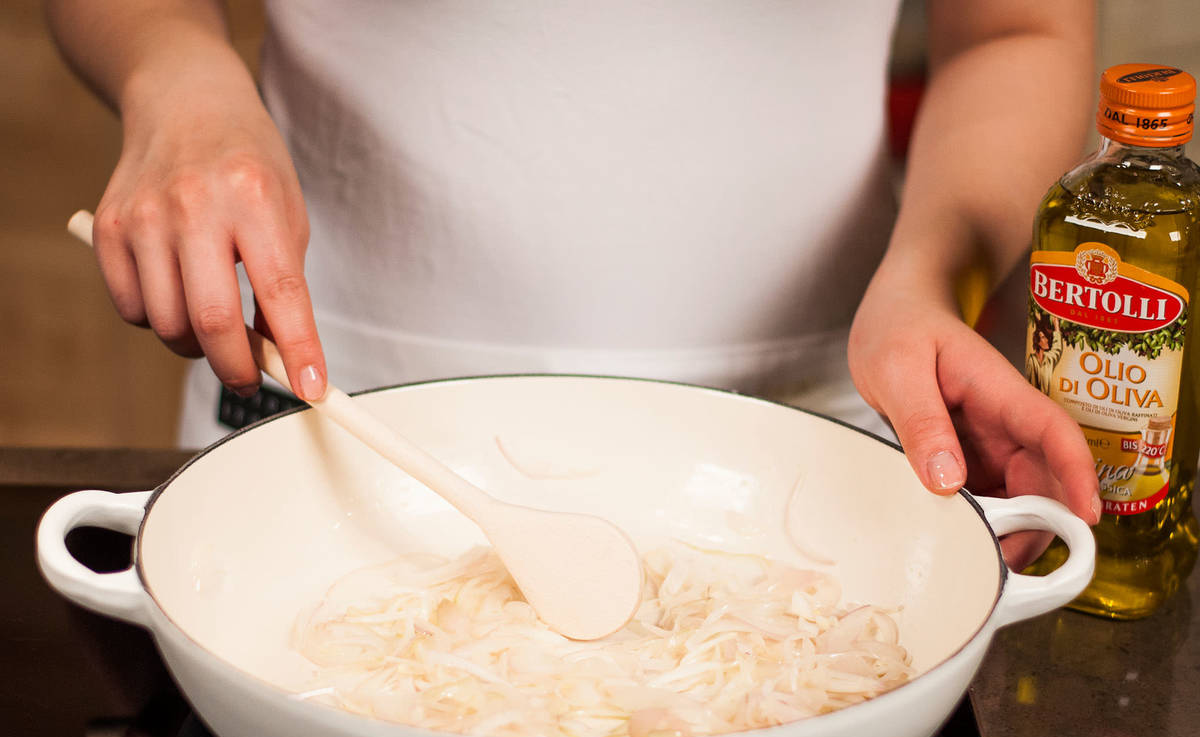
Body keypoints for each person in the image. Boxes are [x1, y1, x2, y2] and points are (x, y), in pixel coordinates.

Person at [45, 0, 1102, 566]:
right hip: (330, 422)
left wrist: (930, 277)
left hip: (816, 442)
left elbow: (1019, 29)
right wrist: (176, 78)